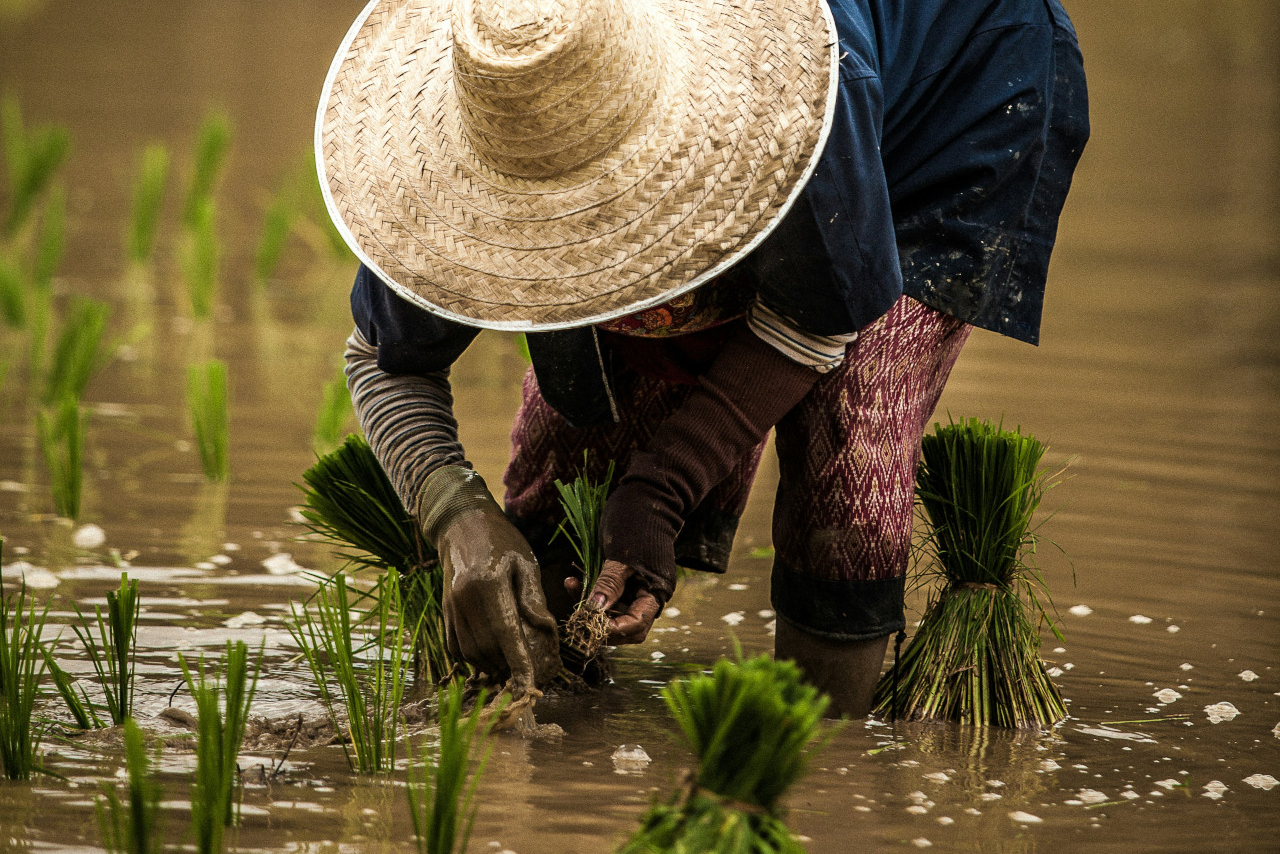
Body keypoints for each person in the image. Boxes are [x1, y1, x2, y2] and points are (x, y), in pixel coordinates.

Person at [318, 0, 1089, 716]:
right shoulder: (470, 135)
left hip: (951, 96)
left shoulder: (792, 100)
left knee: (849, 449)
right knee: (580, 448)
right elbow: (385, 360)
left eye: (595, 206)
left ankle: (812, 763)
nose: (576, 231)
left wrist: (664, 485)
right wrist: (458, 515)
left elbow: (820, 320)